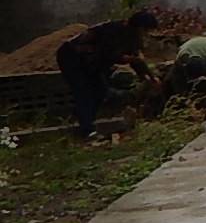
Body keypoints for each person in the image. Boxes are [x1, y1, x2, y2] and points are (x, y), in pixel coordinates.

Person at [54, 10, 158, 141]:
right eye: (145, 30)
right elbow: (108, 54)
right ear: (138, 27)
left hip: (91, 62)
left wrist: (150, 78)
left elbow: (137, 61)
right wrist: (127, 59)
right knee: (83, 91)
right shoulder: (113, 30)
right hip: (72, 57)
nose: (146, 34)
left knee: (100, 92)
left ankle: (83, 121)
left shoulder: (134, 38)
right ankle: (87, 130)